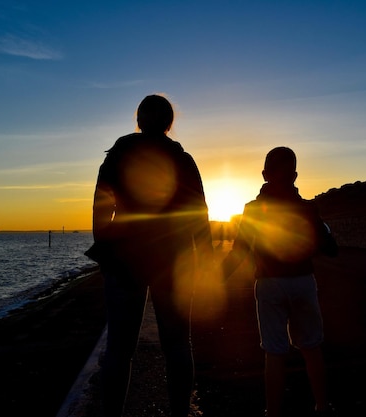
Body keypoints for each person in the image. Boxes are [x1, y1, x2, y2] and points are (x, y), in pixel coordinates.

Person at [86, 94, 213, 417]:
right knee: (177, 345)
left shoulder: (117, 155)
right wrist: (206, 261)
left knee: (119, 347)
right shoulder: (181, 158)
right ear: (169, 123)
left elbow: (101, 208)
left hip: (123, 259)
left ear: (139, 121)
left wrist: (104, 249)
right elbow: (198, 213)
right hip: (171, 259)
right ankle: (179, 412)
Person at [221, 146, 339, 417]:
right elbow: (331, 249)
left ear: (264, 174)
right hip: (303, 282)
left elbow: (240, 250)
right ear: (295, 176)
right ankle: (322, 405)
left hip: (269, 283)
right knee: (311, 346)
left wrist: (216, 278)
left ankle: (272, 412)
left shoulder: (252, 210)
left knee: (274, 352)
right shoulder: (308, 209)